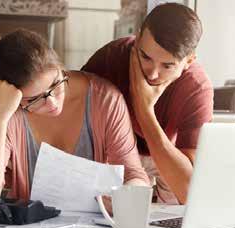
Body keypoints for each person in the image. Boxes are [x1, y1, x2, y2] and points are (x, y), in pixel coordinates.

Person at [0, 29, 150, 203]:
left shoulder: (105, 99)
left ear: (61, 68)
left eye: (56, 83)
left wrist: (124, 197)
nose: (52, 102)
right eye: (35, 99)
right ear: (11, 95)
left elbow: (135, 176)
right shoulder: (0, 109)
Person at [82, 3, 213, 204]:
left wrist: (144, 109)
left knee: (178, 214)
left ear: (189, 61)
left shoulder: (196, 88)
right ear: (137, 38)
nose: (152, 73)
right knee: (105, 208)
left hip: (167, 154)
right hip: (113, 151)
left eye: (167, 65)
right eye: (145, 57)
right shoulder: (112, 57)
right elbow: (72, 110)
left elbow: (188, 190)